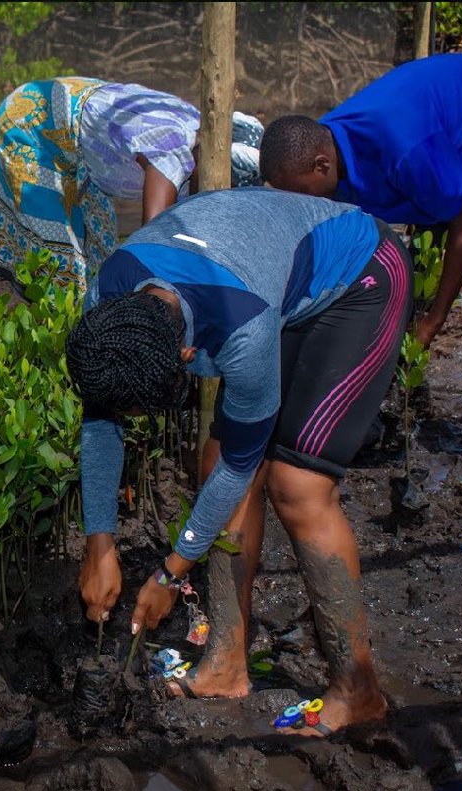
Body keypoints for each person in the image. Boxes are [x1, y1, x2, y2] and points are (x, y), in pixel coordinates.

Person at [67, 187, 412, 737]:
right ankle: (226, 664)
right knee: (215, 464)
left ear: (187, 357)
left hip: (360, 274)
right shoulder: (107, 302)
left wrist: (169, 572)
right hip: (261, 274)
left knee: (296, 484)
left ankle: (359, 690)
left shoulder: (241, 329)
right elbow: (99, 419)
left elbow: (244, 462)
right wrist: (99, 543)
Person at [259, 54, 462, 499]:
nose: (297, 203)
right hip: (457, 151)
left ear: (322, 166)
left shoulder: (404, 150)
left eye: (297, 192)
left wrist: (430, 322)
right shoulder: (322, 142)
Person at [0, 77, 264, 292]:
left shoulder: (203, 131)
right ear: (207, 155)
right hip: (36, 120)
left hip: (85, 139)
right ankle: (55, 343)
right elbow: (153, 241)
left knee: (99, 253)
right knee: (59, 264)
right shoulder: (170, 152)